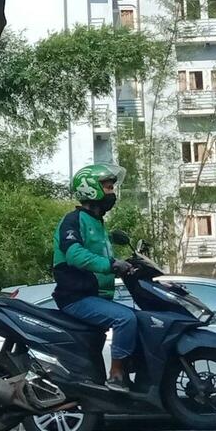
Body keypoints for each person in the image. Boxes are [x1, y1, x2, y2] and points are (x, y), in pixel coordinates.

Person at [51, 162, 140, 393]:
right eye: (108, 187)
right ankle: (117, 376)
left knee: (141, 319)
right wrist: (112, 265)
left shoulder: (98, 223)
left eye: (112, 187)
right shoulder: (73, 220)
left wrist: (129, 264)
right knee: (125, 319)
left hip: (96, 297)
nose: (112, 192)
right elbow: (74, 254)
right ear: (90, 188)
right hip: (77, 297)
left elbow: (104, 257)